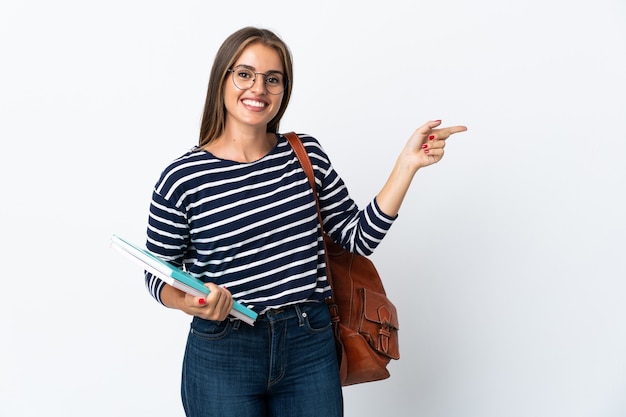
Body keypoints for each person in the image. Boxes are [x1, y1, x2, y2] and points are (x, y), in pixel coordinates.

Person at [144, 26, 467, 417]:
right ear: (222, 80)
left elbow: (356, 238)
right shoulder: (183, 177)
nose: (258, 88)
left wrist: (407, 165)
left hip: (308, 342)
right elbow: (156, 273)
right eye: (244, 74)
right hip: (223, 349)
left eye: (272, 79)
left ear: (284, 90)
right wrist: (193, 302)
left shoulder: (304, 155)